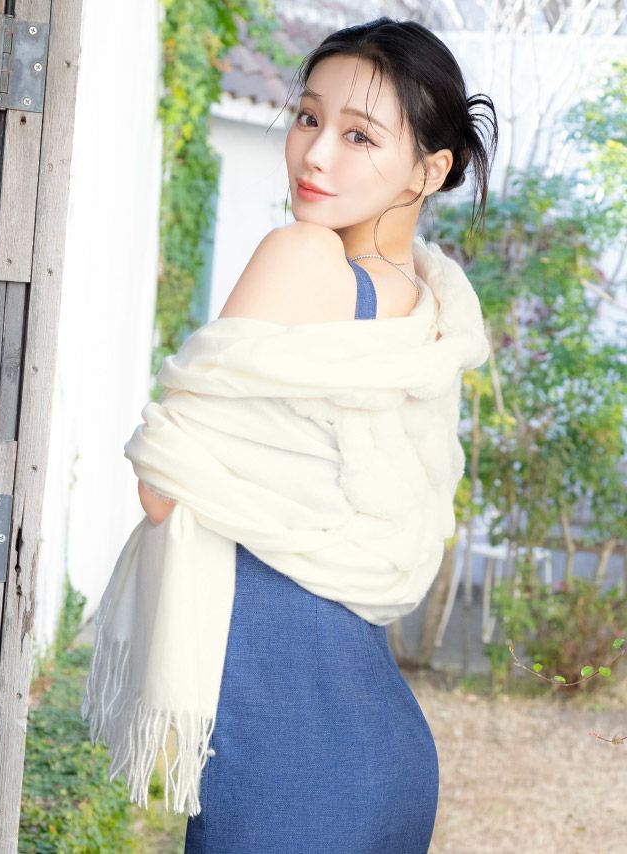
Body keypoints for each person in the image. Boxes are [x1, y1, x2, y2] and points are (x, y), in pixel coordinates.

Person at [139, 15, 498, 854]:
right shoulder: (431, 313)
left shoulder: (301, 255)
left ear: (431, 170)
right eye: (308, 117)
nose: (315, 154)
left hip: (285, 755)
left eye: (360, 135)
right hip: (381, 754)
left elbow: (161, 488)